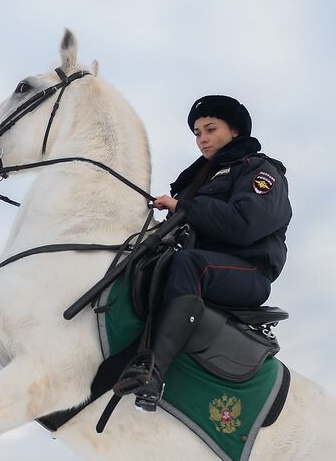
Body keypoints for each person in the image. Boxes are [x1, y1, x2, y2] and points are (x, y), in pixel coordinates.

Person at [114, 94, 292, 411]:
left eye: (210, 129)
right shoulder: (196, 179)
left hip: (248, 272)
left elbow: (243, 224)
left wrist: (182, 207)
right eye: (197, 133)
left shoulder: (261, 171)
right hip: (197, 263)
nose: (202, 139)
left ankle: (153, 375)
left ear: (235, 131)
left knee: (191, 264)